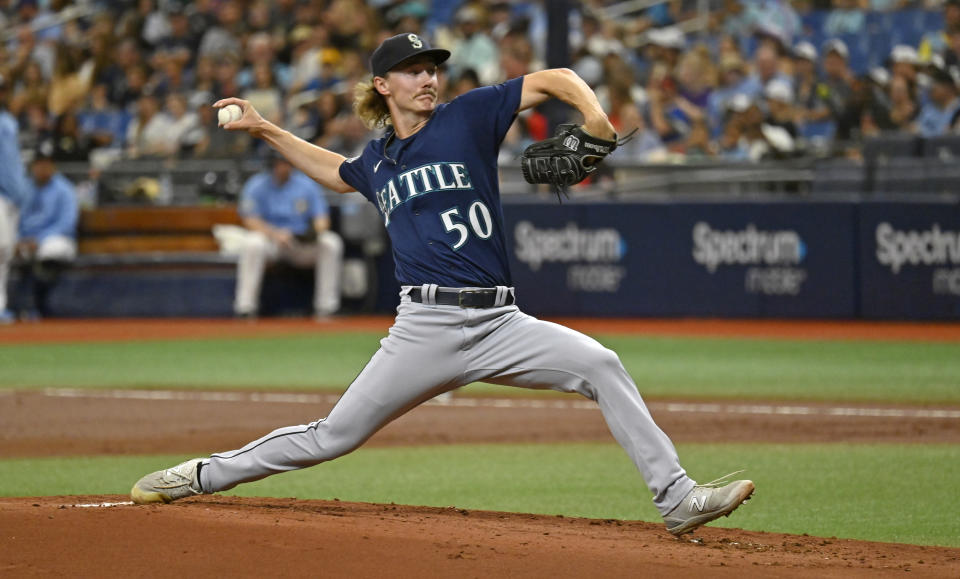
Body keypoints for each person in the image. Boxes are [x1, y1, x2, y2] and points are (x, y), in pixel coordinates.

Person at [131, 33, 754, 537]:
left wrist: (594, 115)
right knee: (333, 436)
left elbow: (553, 78)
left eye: (431, 67)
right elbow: (336, 172)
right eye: (411, 70)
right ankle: (201, 474)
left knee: (601, 363)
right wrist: (268, 129)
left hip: (502, 323)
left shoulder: (468, 117)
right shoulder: (377, 161)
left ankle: (677, 499)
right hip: (423, 328)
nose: (427, 77)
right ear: (383, 85)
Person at [233, 153, 343, 319]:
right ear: (271, 165)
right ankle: (245, 307)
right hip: (270, 242)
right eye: (279, 164)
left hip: (298, 242)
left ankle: (326, 307)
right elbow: (250, 220)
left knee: (331, 243)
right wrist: (275, 234)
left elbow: (322, 219)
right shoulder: (257, 184)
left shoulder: (306, 185)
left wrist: (312, 232)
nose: (283, 167)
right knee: (252, 243)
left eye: (286, 163)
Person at [14, 146, 78, 319]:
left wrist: (39, 240)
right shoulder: (24, 188)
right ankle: (15, 306)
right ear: (33, 166)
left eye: (47, 164)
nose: (43, 168)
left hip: (58, 240)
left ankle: (40, 304)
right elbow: (14, 219)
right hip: (25, 242)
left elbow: (66, 223)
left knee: (48, 250)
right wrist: (18, 240)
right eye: (39, 163)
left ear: (53, 166)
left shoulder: (64, 189)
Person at [0, 74, 30, 324]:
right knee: (1, 250)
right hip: (1, 195)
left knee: (5, 252)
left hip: (8, 197)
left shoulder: (7, 121)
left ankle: (0, 305)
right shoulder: (6, 123)